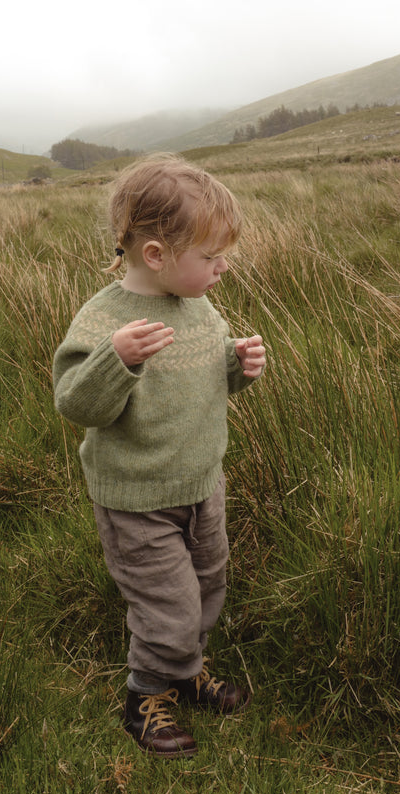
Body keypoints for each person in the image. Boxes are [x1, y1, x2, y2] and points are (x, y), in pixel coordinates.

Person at [52, 154, 266, 758]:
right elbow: (77, 403)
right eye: (210, 256)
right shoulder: (104, 320)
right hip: (137, 501)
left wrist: (238, 367)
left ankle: (185, 668)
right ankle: (145, 696)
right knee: (167, 605)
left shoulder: (198, 307)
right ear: (156, 255)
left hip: (202, 486)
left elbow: (204, 378)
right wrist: (114, 359)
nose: (222, 268)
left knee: (206, 586)